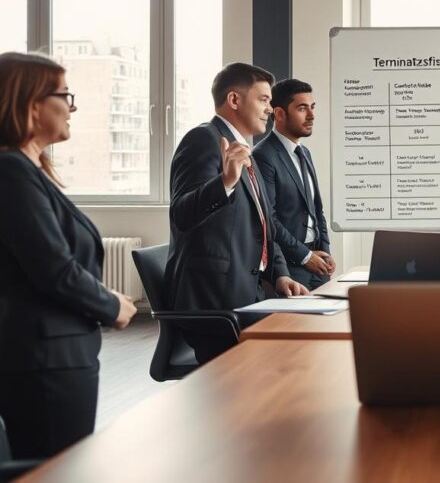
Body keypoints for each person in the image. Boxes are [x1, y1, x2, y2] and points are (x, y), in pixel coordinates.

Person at [0, 52, 137, 459]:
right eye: (64, 95)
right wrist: (110, 304)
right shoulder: (11, 172)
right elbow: (53, 269)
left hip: (58, 355)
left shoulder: (27, 171)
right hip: (44, 361)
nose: (72, 107)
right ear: (32, 104)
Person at [166, 62, 307, 364]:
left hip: (248, 295)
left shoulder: (243, 151)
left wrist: (281, 274)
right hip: (214, 304)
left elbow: (264, 225)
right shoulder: (204, 140)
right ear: (233, 100)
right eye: (263, 99)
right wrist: (225, 182)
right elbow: (181, 214)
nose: (269, 109)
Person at [253, 78, 335, 289]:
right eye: (302, 108)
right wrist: (305, 256)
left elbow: (316, 209)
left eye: (312, 107)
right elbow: (269, 220)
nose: (312, 115)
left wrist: (325, 251)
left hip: (318, 261)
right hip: (290, 267)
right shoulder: (263, 156)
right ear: (280, 114)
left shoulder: (304, 152)